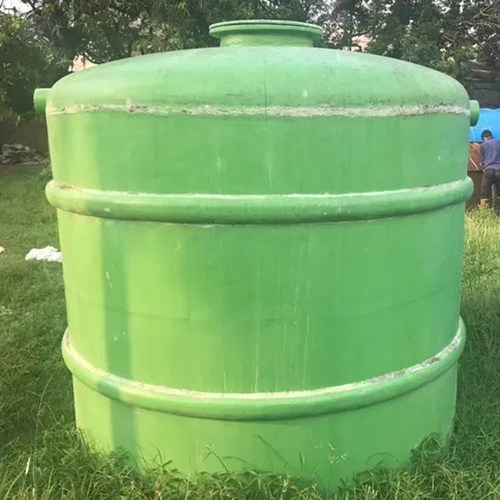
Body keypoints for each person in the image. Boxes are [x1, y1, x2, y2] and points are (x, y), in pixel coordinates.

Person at [480, 130, 500, 207]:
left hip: (489, 171)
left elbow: (482, 162)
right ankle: (498, 214)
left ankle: (482, 214)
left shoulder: (483, 145)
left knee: (483, 195)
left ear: (485, 138)